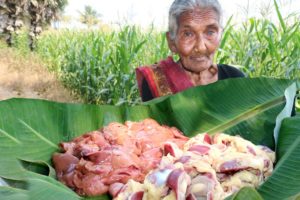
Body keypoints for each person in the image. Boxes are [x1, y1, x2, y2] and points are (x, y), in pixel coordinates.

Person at [136, 0, 245, 102]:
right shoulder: (157, 82)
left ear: (220, 37)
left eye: (210, 32)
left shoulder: (235, 79)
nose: (201, 47)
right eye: (188, 34)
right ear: (172, 42)